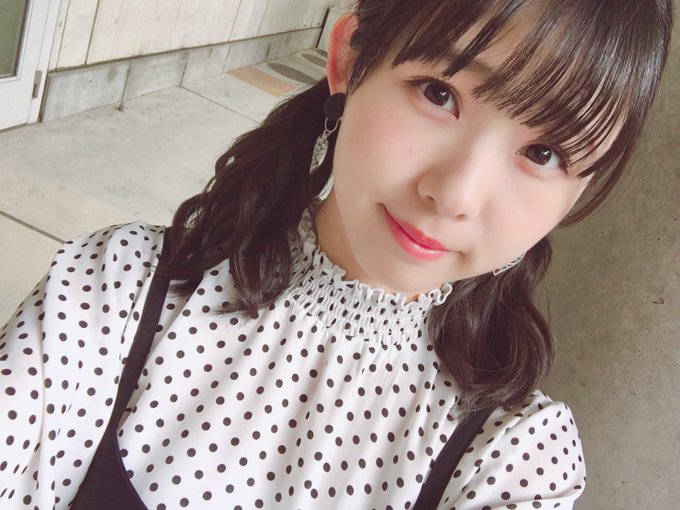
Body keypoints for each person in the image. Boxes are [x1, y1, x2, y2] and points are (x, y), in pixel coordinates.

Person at [0, 0, 673, 508]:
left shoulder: (513, 459)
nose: (454, 194)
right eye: (439, 93)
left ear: (577, 193)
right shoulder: (116, 291)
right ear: (349, 59)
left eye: (543, 153)